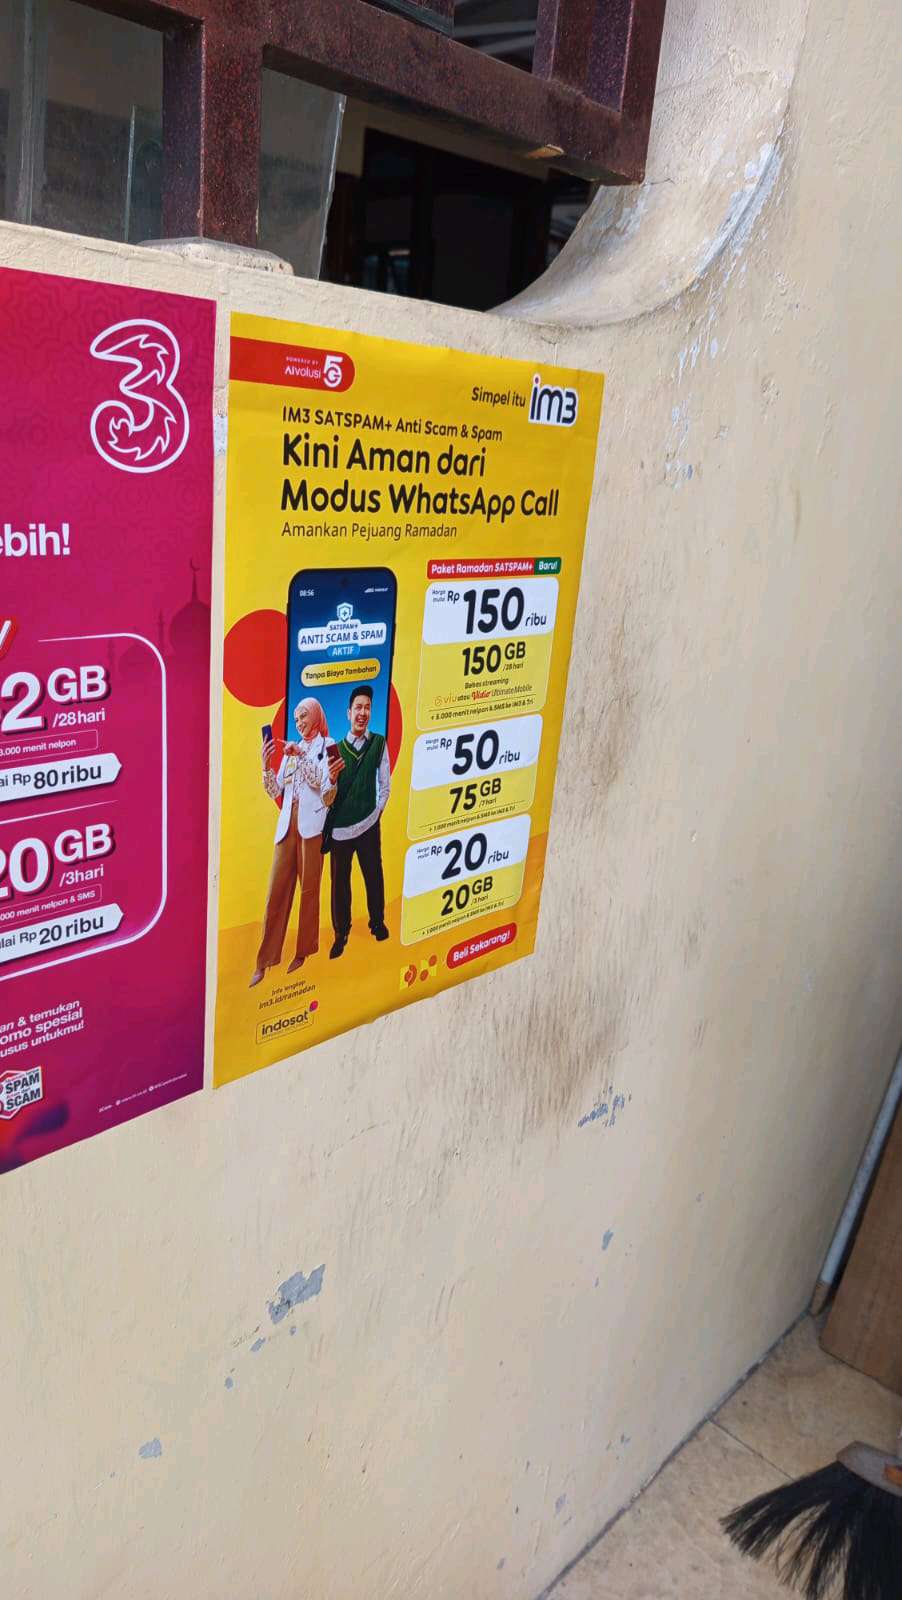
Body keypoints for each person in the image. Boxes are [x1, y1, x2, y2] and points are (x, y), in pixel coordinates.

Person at [250, 697, 336, 987]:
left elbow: (323, 784)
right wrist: (266, 766)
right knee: (276, 891)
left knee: (309, 890)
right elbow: (275, 790)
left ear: (316, 716)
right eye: (297, 718)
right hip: (288, 824)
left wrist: (301, 755)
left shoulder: (328, 746)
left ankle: (303, 951)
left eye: (304, 716)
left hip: (312, 826)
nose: (299, 722)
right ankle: (264, 961)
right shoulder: (289, 750)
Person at [326, 684, 390, 958]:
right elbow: (326, 796)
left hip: (368, 825)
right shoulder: (334, 750)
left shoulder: (378, 743)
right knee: (339, 885)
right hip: (340, 831)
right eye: (358, 708)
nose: (363, 713)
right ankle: (341, 934)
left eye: (367, 708)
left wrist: (377, 812)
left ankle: (377, 922)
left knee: (374, 875)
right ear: (348, 713)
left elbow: (385, 784)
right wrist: (331, 779)